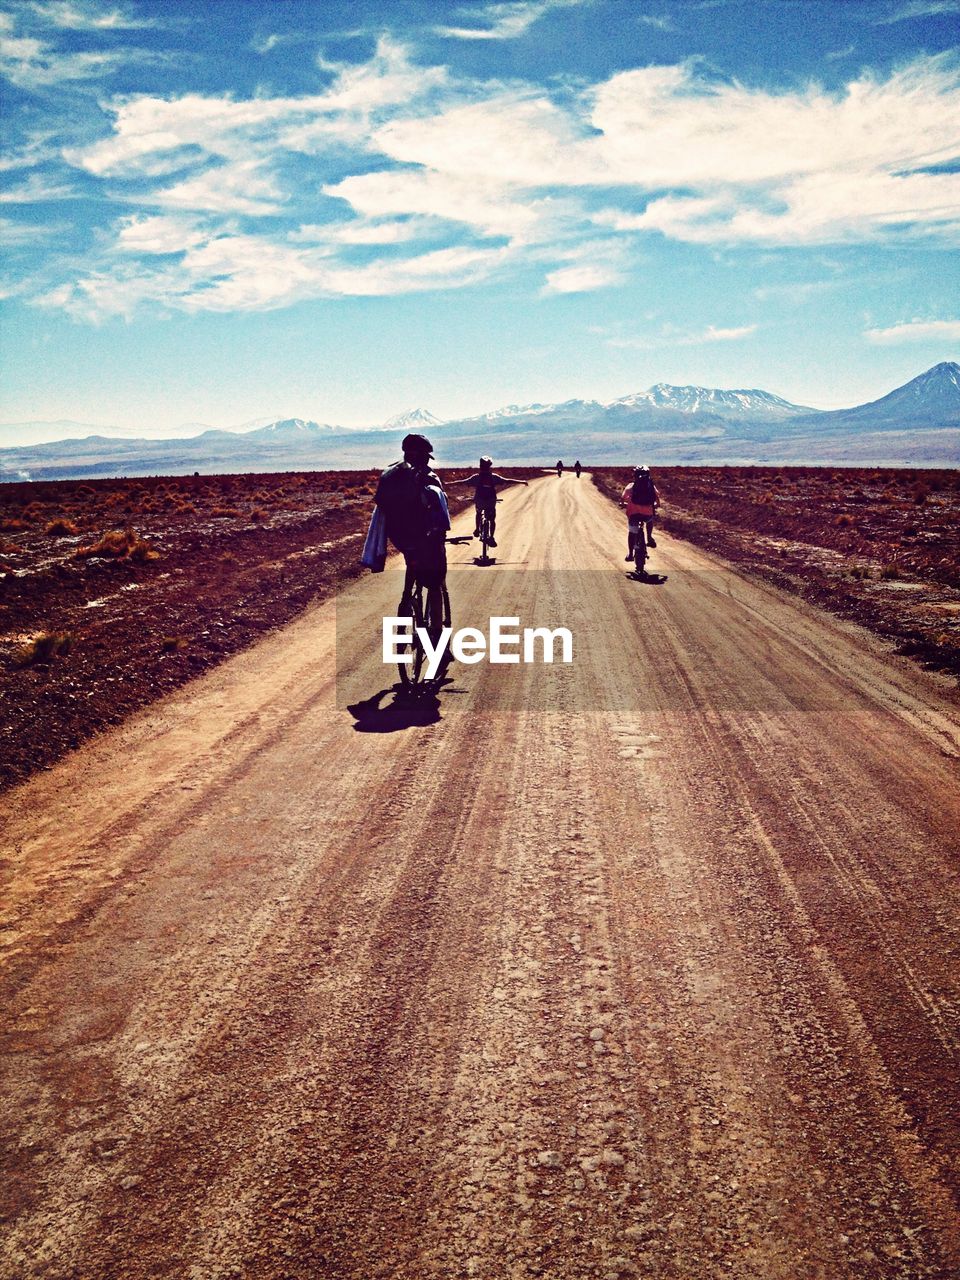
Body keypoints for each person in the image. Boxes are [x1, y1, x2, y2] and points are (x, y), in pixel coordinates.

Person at [374, 433, 450, 588]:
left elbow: (380, 501)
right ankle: (436, 609)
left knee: (411, 558)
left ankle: (406, 600)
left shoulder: (390, 474)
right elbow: (442, 509)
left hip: (397, 536)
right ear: (423, 455)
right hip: (423, 535)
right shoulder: (429, 476)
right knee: (436, 581)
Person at [448, 456, 528, 549]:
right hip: (491, 501)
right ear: (489, 466)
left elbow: (462, 482)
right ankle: (491, 537)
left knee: (478, 513)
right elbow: (507, 480)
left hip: (479, 500)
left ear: (480, 466)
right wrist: (521, 481)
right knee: (492, 519)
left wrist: (448, 484)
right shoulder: (494, 477)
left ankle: (477, 529)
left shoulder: (476, 478)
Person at [619, 465, 661, 562]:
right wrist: (654, 505)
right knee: (650, 519)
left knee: (632, 533)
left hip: (634, 515)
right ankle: (649, 537)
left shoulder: (631, 486)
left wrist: (623, 504)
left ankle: (630, 554)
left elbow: (622, 499)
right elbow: (657, 501)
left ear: (635, 475)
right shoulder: (651, 486)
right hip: (647, 515)